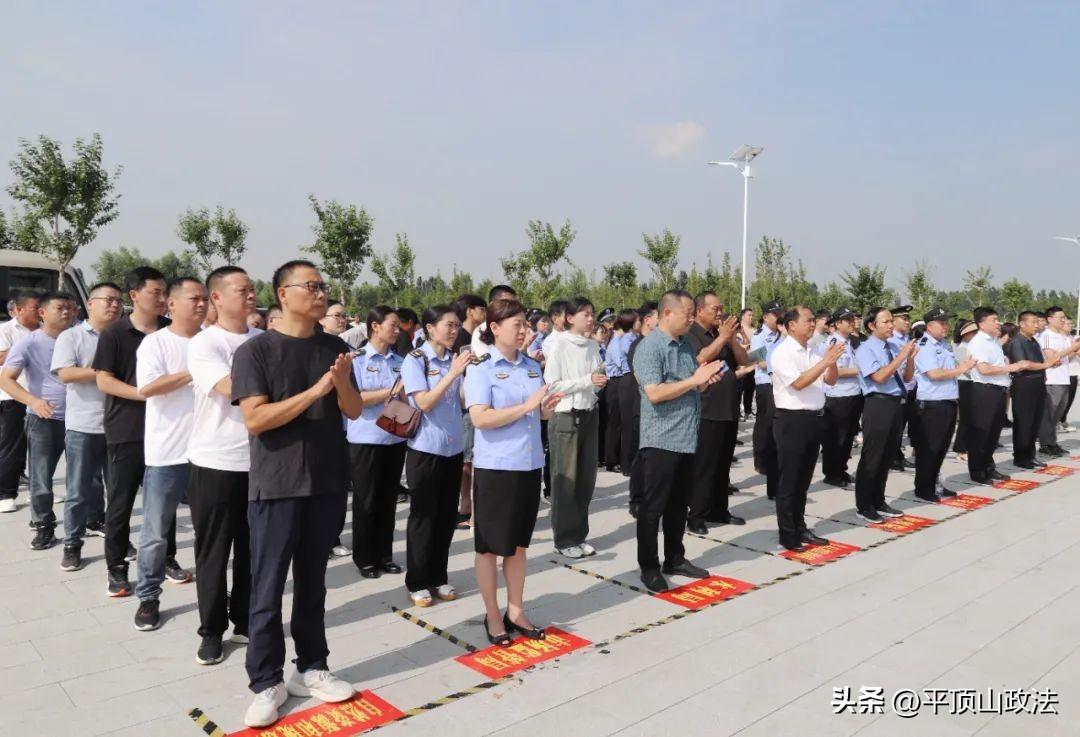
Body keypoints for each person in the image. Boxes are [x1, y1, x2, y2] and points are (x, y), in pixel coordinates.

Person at [232, 260, 363, 729]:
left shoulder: (335, 347)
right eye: (311, 286)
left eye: (323, 285)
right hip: (277, 484)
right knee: (267, 588)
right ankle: (265, 680)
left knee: (314, 583)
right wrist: (315, 391)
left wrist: (342, 383)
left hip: (326, 482)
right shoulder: (257, 351)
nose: (321, 292)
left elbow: (352, 409)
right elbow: (255, 419)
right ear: (283, 294)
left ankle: (311, 667)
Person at [464, 298, 562, 645]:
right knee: (490, 547)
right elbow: (480, 418)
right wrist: (526, 407)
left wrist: (545, 409)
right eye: (516, 325)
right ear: (494, 328)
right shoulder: (481, 367)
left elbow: (538, 415)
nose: (524, 331)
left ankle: (516, 609)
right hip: (497, 468)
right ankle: (493, 615)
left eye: (526, 324)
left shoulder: (532, 367)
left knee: (518, 546)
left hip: (530, 463)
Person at [94, 267, 190, 597]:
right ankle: (117, 567)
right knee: (121, 502)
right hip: (128, 429)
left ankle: (167, 559)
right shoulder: (114, 334)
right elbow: (103, 380)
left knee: (165, 501)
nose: (163, 299)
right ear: (134, 296)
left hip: (168, 432)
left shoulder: (171, 331)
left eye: (166, 292)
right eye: (156, 292)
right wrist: (144, 392)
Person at [186, 266, 260, 665]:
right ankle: (211, 630)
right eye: (241, 289)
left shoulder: (264, 339)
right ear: (216, 297)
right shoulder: (205, 344)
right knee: (213, 552)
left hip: (259, 463)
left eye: (252, 288)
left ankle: (246, 618)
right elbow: (231, 388)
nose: (250, 295)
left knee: (254, 549)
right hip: (214, 461)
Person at [633, 290, 724, 592]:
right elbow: (655, 393)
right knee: (653, 507)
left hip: (686, 437)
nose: (691, 317)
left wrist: (702, 381)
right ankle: (649, 566)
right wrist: (693, 382)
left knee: (678, 505)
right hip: (661, 439)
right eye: (687, 312)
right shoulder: (650, 348)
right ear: (667, 313)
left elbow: (686, 386)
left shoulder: (685, 346)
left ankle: (675, 557)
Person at [131, 278, 206, 631]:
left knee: (212, 531)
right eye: (194, 299)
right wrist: (195, 371)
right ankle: (148, 596)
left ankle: (214, 597)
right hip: (167, 453)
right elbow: (147, 388)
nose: (202, 304)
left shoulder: (213, 340)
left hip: (209, 452)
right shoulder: (155, 343)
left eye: (206, 298)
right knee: (156, 530)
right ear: (171, 304)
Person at [401, 306, 471, 607]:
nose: (454, 331)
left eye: (457, 326)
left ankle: (438, 576)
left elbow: (463, 402)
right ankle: (417, 581)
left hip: (453, 449)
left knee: (445, 517)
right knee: (423, 518)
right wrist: (453, 373)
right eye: (448, 325)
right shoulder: (416, 360)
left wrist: (468, 374)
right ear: (430, 328)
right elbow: (425, 402)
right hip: (425, 450)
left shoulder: (454, 360)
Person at [51, 282, 123, 570]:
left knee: (119, 491)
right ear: (90, 304)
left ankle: (118, 541)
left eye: (119, 301)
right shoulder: (72, 337)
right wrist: (103, 373)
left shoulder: (125, 336)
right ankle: (72, 543)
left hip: (119, 426)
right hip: (83, 425)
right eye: (108, 300)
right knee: (78, 490)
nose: (115, 305)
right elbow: (66, 373)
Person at [0, 292, 75, 550]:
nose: (67, 312)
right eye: (60, 307)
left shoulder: (82, 338)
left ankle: (91, 520)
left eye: (70, 307)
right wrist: (33, 401)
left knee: (87, 477)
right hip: (45, 419)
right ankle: (44, 525)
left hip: (80, 419)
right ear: (42, 312)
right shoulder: (29, 343)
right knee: (41, 478)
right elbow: (6, 378)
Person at [771, 306, 843, 550]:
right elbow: (800, 383)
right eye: (808, 321)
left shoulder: (812, 351)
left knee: (803, 480)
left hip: (814, 419)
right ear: (792, 325)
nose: (813, 325)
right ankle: (788, 534)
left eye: (814, 321)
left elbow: (830, 380)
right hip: (792, 421)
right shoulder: (782, 352)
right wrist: (825, 361)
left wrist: (831, 362)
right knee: (789, 481)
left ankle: (800, 527)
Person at [346, 306, 407, 577]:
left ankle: (385, 555)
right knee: (366, 501)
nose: (397, 330)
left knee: (387, 501)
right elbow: (356, 398)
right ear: (374, 326)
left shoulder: (400, 360)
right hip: (366, 439)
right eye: (392, 325)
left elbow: (406, 398)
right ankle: (365, 558)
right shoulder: (356, 359)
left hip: (394, 438)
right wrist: (391, 392)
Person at [544, 297, 605, 559]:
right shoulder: (557, 345)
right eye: (585, 315)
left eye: (592, 314)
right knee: (565, 481)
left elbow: (596, 376)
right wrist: (586, 380)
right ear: (570, 318)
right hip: (566, 416)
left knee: (585, 480)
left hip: (589, 413)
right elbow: (553, 385)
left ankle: (579, 535)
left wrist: (598, 383)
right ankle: (564, 538)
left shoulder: (592, 345)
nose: (591, 319)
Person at [685, 292, 747, 534]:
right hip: (706, 409)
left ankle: (719, 510)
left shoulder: (721, 335)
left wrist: (730, 340)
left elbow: (742, 361)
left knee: (723, 464)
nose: (720, 313)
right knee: (704, 465)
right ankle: (696, 516)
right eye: (715, 309)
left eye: (721, 308)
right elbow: (698, 359)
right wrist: (721, 338)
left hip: (728, 408)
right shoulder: (692, 334)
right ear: (700, 311)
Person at [852, 308, 916, 523]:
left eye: (892, 321)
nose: (891, 325)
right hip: (877, 404)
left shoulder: (894, 347)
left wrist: (910, 359)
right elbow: (879, 377)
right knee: (873, 456)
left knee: (887, 455)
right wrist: (901, 357)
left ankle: (879, 500)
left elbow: (906, 377)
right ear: (872, 325)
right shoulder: (865, 349)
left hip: (896, 403)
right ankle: (864, 505)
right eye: (886, 322)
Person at [912, 308, 975, 500]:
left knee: (941, 449)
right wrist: (960, 369)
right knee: (929, 450)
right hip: (932, 405)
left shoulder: (944, 345)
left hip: (947, 402)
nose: (946, 326)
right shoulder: (924, 345)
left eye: (947, 322)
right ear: (929, 326)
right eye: (942, 323)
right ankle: (924, 489)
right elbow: (934, 374)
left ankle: (935, 484)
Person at [966, 307, 1032, 484]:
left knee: (993, 433)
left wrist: (1006, 365)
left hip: (998, 391)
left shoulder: (993, 341)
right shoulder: (978, 342)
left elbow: (996, 364)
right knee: (982, 433)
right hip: (984, 391)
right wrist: (1010, 367)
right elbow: (984, 369)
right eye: (994, 320)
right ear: (981, 323)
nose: (998, 323)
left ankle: (988, 467)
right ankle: (977, 471)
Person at [0, 291, 40, 513]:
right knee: (12, 446)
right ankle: (6, 493)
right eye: (35, 308)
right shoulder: (6, 330)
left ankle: (40, 492)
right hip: (14, 395)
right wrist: (28, 346)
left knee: (41, 448)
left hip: (42, 395)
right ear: (21, 309)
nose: (39, 311)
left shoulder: (45, 329)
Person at [451, 293, 486, 528]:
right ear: (471, 310)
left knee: (471, 459)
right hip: (464, 404)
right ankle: (466, 505)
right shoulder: (462, 339)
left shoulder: (480, 337)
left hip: (475, 402)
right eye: (481, 308)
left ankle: (469, 506)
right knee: (466, 460)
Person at [1004, 310, 1053, 470]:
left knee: (1035, 421)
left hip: (1037, 384)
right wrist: (1045, 365)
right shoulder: (1017, 342)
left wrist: (1045, 368)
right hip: (1024, 385)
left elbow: (1037, 362)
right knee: (1024, 422)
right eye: (1033, 322)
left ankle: (1030, 455)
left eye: (1037, 322)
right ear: (1022, 324)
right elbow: (1023, 364)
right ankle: (1021, 457)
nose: (1036, 325)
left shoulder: (1033, 341)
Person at [820, 308, 863, 488]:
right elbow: (835, 371)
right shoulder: (833, 343)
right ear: (837, 324)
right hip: (838, 396)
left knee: (848, 437)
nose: (852, 323)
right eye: (848, 321)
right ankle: (831, 473)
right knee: (835, 438)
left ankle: (841, 470)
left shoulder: (851, 342)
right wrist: (861, 370)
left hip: (853, 394)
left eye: (853, 320)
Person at [622, 301, 657, 517]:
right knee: (640, 457)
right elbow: (642, 378)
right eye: (658, 316)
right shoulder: (639, 345)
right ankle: (636, 500)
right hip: (642, 406)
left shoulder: (656, 343)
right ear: (647, 320)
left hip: (656, 409)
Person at [750, 301, 784, 497]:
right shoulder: (759, 336)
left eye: (780, 313)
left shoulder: (783, 334)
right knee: (764, 422)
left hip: (780, 384)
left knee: (776, 424)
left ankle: (771, 458)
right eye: (775, 314)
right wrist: (776, 368)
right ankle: (760, 459)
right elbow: (759, 361)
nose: (778, 317)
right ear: (765, 317)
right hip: (765, 383)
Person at [1037, 307, 1080, 457]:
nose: (1063, 320)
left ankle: (1052, 442)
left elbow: (1064, 359)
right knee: (1049, 413)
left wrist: (1073, 351)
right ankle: (1045, 444)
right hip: (1052, 379)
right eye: (1060, 317)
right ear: (1050, 319)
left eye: (1064, 318)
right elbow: (1052, 358)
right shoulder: (1047, 335)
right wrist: (1071, 350)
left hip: (1064, 378)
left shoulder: (1063, 337)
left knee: (1058, 413)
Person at [602, 309, 636, 472]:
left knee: (621, 422)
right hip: (616, 382)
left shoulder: (622, 339)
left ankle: (617, 458)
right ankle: (611, 460)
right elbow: (624, 365)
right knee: (615, 423)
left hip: (620, 381)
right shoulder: (617, 341)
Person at [952, 320, 978, 459]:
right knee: (966, 417)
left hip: (974, 382)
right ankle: (961, 448)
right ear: (965, 334)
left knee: (973, 417)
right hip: (965, 383)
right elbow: (967, 369)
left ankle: (967, 445)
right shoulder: (961, 348)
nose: (975, 334)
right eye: (972, 332)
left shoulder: (974, 346)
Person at [737, 308, 755, 419]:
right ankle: (738, 411)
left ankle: (748, 410)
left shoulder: (755, 331)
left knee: (750, 387)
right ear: (742, 316)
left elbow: (759, 348)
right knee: (739, 388)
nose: (751, 317)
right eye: (749, 315)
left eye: (752, 315)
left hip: (752, 362)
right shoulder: (737, 329)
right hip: (740, 363)